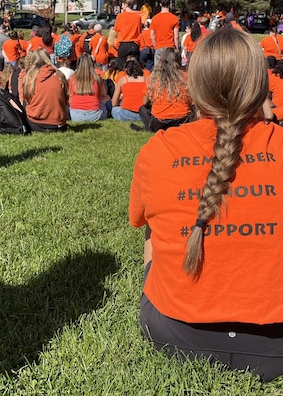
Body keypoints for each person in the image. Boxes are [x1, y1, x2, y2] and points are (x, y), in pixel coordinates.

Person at [129, 27, 283, 382]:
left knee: (155, 225)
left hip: (174, 335)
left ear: (194, 86)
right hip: (276, 346)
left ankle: (188, 296)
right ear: (260, 85)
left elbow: (140, 221)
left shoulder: (159, 149)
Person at [134, 48, 192, 132]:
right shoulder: (186, 77)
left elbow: (145, 102)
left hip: (159, 122)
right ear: (179, 60)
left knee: (143, 109)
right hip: (182, 120)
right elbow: (193, 101)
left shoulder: (154, 78)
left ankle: (150, 126)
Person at [22, 49, 68, 132]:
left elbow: (27, 99)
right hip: (58, 123)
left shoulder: (29, 78)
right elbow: (65, 98)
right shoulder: (59, 75)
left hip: (36, 122)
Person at [68, 53, 108, 122]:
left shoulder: (72, 79)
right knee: (106, 100)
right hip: (94, 115)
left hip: (75, 115)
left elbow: (69, 97)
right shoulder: (97, 78)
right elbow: (103, 95)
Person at [111, 56, 146, 121]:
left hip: (126, 114)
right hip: (142, 114)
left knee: (114, 110)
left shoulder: (123, 80)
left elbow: (114, 103)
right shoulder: (146, 80)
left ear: (126, 69)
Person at [112, 0, 142, 70]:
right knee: (135, 68)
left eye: (122, 5)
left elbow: (116, 30)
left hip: (123, 44)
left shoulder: (120, 16)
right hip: (134, 44)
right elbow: (139, 31)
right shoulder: (138, 17)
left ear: (125, 5)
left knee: (122, 68)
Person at [150, 0, 179, 65]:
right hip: (170, 47)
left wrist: (155, 46)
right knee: (171, 70)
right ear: (169, 4)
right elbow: (176, 36)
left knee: (158, 71)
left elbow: (152, 36)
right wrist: (177, 48)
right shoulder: (174, 18)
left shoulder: (154, 19)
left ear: (160, 4)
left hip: (159, 47)